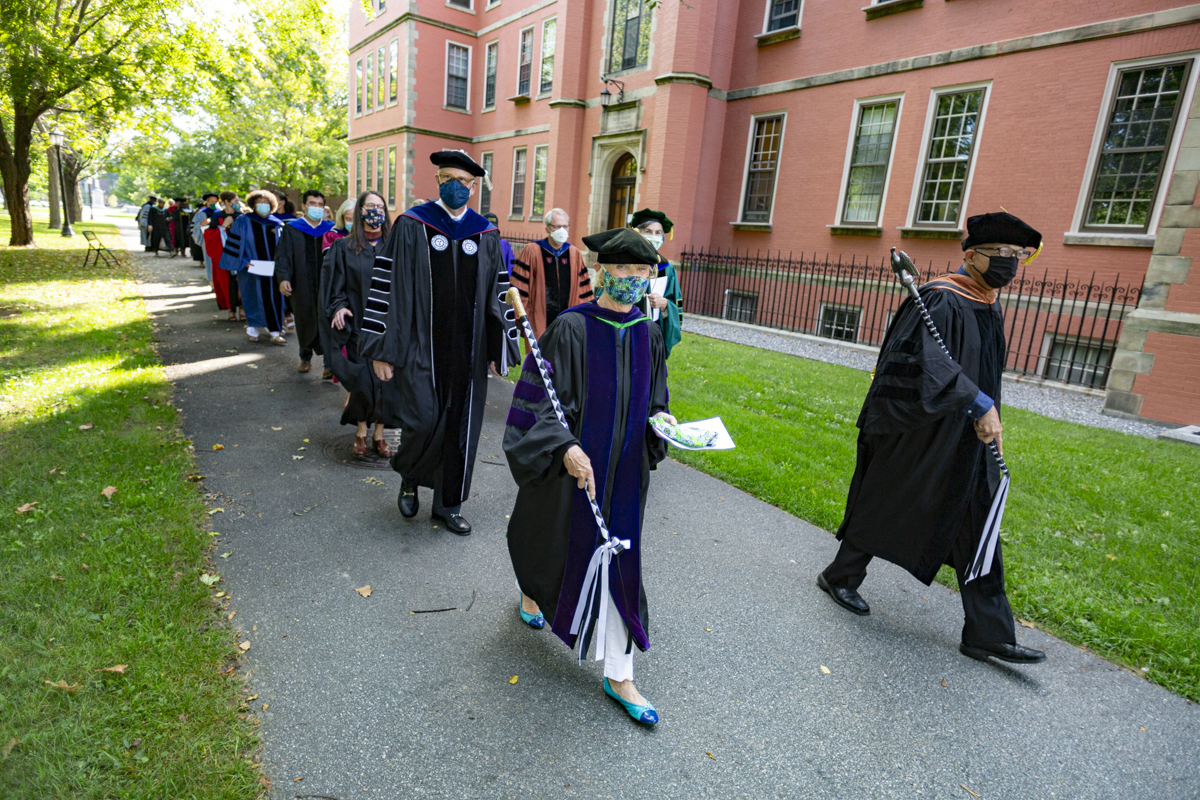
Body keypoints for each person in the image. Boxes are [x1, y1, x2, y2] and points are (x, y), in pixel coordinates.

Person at [818, 211, 1047, 665]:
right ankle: (840, 575)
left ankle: (986, 631)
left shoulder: (987, 301)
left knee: (979, 515)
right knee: (893, 497)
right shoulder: (941, 299)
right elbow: (920, 365)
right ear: (970, 254)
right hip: (923, 426)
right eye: (999, 254)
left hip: (970, 432)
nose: (1009, 263)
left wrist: (987, 412)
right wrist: (978, 404)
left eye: (1016, 256)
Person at [504, 227, 674, 725]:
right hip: (572, 469)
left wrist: (665, 426)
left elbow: (657, 400)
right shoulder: (572, 328)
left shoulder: (648, 332)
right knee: (546, 536)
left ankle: (620, 674)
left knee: (622, 561)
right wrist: (564, 447)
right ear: (602, 272)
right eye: (626, 271)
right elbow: (535, 403)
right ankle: (531, 584)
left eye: (645, 273)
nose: (635, 281)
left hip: (625, 474)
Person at [360, 149, 518, 535]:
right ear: (438, 181)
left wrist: (500, 348)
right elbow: (387, 286)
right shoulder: (413, 224)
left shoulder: (486, 233)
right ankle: (410, 477)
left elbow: (500, 293)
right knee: (421, 419)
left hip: (468, 351)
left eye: (462, 181)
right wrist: (383, 348)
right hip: (420, 347)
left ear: (473, 186)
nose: (455, 186)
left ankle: (449, 504)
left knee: (461, 428)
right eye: (447, 178)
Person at [324, 191, 398, 456]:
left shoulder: (395, 247)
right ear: (360, 211)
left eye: (380, 206)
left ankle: (379, 434)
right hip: (358, 326)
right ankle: (361, 430)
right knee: (364, 382)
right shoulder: (343, 247)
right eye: (369, 206)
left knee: (386, 384)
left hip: (389, 328)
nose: (375, 211)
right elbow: (336, 287)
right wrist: (339, 307)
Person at [510, 208, 593, 338]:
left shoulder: (574, 254)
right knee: (539, 356)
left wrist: (585, 315)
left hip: (568, 324)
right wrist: (519, 314)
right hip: (538, 321)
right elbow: (520, 287)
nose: (562, 230)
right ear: (548, 228)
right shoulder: (532, 251)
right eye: (558, 226)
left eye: (565, 226)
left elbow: (583, 290)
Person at [276, 189, 334, 374]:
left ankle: (328, 364)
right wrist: (284, 278)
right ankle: (305, 356)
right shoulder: (291, 229)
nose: (316, 208)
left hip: (327, 284)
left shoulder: (330, 230)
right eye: (312, 204)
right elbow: (283, 256)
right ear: (303, 206)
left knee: (327, 320)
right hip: (301, 282)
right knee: (304, 319)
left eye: (319, 204)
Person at [224, 189, 287, 345]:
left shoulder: (278, 224)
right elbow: (235, 245)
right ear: (253, 204)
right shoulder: (243, 221)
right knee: (253, 297)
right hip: (251, 268)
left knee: (274, 298)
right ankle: (254, 329)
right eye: (259, 202)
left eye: (266, 203)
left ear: (272, 205)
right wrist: (245, 262)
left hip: (273, 270)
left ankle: (274, 331)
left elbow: (285, 248)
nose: (263, 205)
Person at [630, 208, 683, 357]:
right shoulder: (623, 265)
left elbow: (675, 305)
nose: (654, 236)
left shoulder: (667, 269)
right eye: (648, 231)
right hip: (624, 334)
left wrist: (665, 304)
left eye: (658, 232)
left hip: (653, 338)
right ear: (637, 233)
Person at [204, 191, 242, 319]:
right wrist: (224, 226)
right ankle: (231, 310)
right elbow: (209, 236)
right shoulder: (217, 217)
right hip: (223, 255)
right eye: (235, 201)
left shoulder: (241, 216)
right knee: (227, 282)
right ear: (226, 201)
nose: (238, 203)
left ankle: (242, 308)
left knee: (241, 282)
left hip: (240, 254)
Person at [483, 212, 515, 278]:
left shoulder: (505, 245)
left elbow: (510, 267)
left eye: (492, 228)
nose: (490, 231)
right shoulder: (478, 243)